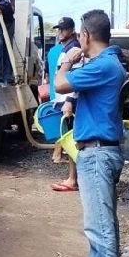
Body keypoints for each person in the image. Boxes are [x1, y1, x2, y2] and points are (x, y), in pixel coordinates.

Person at [54, 9, 127, 257]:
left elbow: (60, 84)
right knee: (103, 223)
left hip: (97, 154)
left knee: (99, 227)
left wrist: (68, 60)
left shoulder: (103, 65)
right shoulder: (108, 64)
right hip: (99, 151)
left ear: (85, 35)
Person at [50, 17, 81, 191]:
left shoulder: (74, 49)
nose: (59, 32)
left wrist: (69, 101)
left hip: (69, 103)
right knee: (69, 142)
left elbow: (74, 80)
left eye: (63, 29)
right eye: (58, 29)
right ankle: (72, 177)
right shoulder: (66, 48)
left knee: (71, 142)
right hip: (64, 101)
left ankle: (73, 179)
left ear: (71, 30)